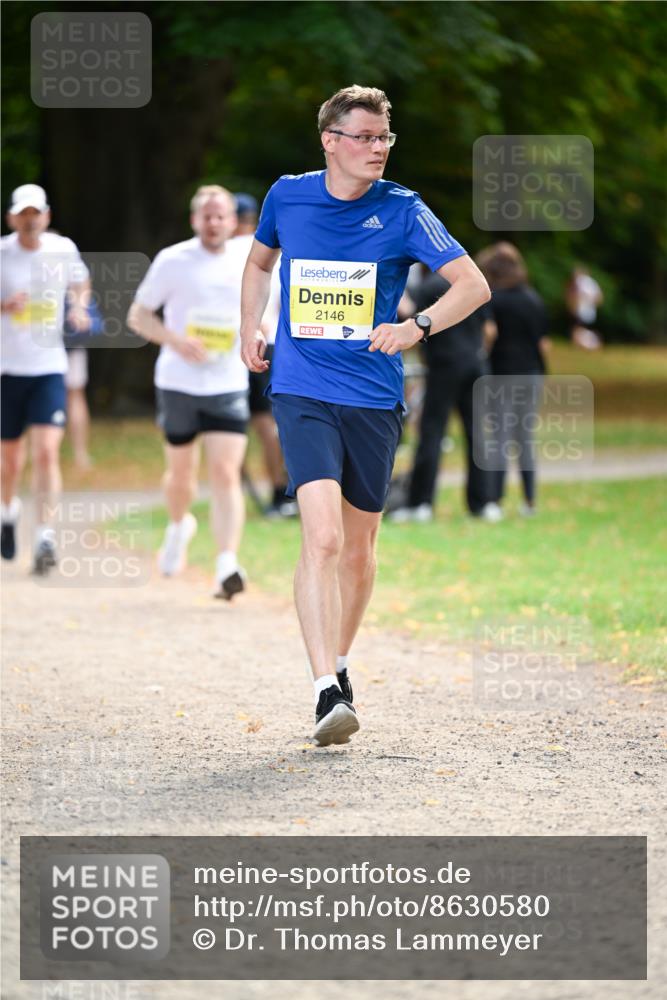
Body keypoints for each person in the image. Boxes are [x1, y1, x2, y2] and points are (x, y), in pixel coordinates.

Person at [240, 85, 490, 745]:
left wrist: (419, 328)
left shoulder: (402, 209)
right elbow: (259, 262)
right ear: (330, 140)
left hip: (373, 395)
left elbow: (473, 284)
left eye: (384, 139)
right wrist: (248, 327)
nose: (377, 149)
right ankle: (325, 689)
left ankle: (342, 659)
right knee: (320, 539)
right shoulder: (287, 195)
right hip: (301, 386)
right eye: (365, 137)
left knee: (358, 548)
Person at [128, 184, 254, 599]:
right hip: (178, 382)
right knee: (181, 474)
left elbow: (268, 309)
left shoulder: (249, 258)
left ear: (233, 221)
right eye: (207, 216)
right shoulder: (173, 260)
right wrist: (174, 339)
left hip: (227, 382)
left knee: (224, 473)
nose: (214, 222)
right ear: (194, 220)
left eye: (222, 216)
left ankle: (225, 565)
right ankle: (179, 525)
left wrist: (260, 331)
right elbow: (138, 316)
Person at [1, 184, 90, 573]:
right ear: (12, 218)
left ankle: (45, 536)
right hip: (7, 369)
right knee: (10, 462)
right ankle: (8, 512)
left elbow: (81, 282)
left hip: (49, 365)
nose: (30, 219)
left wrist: (80, 308)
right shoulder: (2, 253)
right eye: (23, 213)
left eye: (36, 212)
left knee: (46, 452)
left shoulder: (63, 249)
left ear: (47, 216)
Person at [388, 269, 502, 523]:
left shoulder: (427, 288)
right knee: (477, 435)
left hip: (444, 366)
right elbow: (490, 330)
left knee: (432, 432)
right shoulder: (468, 282)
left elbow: (409, 319)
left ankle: (421, 503)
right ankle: (483, 503)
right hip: (475, 362)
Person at [476, 242, 549, 516]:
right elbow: (543, 343)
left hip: (501, 374)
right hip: (531, 374)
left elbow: (489, 335)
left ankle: (494, 499)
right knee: (525, 437)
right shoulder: (534, 299)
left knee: (500, 437)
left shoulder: (493, 300)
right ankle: (529, 500)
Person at [235, 193, 296, 518]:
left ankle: (247, 491)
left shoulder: (235, 251)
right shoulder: (276, 250)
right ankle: (278, 494)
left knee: (243, 426)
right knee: (266, 425)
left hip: (245, 344)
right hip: (265, 343)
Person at [565, 266, 603, 349]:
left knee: (577, 329)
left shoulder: (580, 281)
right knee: (583, 329)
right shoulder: (592, 283)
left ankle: (583, 345)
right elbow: (599, 298)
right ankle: (589, 344)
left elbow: (573, 294)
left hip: (581, 310)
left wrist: (573, 305)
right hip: (590, 311)